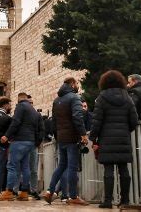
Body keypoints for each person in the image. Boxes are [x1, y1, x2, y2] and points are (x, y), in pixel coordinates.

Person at [90, 70, 138, 208]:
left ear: (104, 82)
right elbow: (134, 120)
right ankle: (125, 201)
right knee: (124, 170)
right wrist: (125, 130)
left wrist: (94, 138)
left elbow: (96, 121)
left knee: (108, 171)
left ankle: (108, 201)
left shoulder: (101, 98)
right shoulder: (127, 97)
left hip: (106, 139)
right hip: (123, 139)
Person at [42, 77, 88, 205]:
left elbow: (54, 121)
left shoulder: (57, 100)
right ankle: (73, 197)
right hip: (72, 137)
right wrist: (83, 134)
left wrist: (57, 136)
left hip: (61, 138)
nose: (77, 86)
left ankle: (49, 191)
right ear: (72, 84)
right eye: (77, 83)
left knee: (61, 166)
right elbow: (77, 117)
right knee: (72, 167)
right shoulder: (74, 97)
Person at [0, 93, 41, 201]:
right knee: (25, 167)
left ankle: (9, 191)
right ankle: (24, 192)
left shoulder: (20, 107)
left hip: (19, 141)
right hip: (30, 142)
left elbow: (15, 122)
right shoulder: (33, 110)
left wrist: (7, 136)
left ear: (19, 99)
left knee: (11, 166)